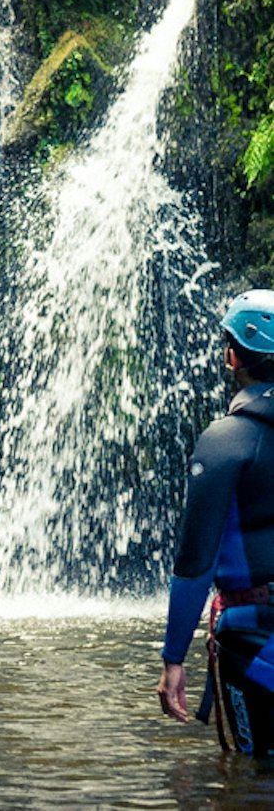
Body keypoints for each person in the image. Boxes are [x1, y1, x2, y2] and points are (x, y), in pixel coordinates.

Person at [159, 289, 274, 757]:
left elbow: (195, 562)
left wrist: (173, 658)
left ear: (232, 356)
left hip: (256, 636)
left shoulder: (226, 441)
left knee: (255, 773)